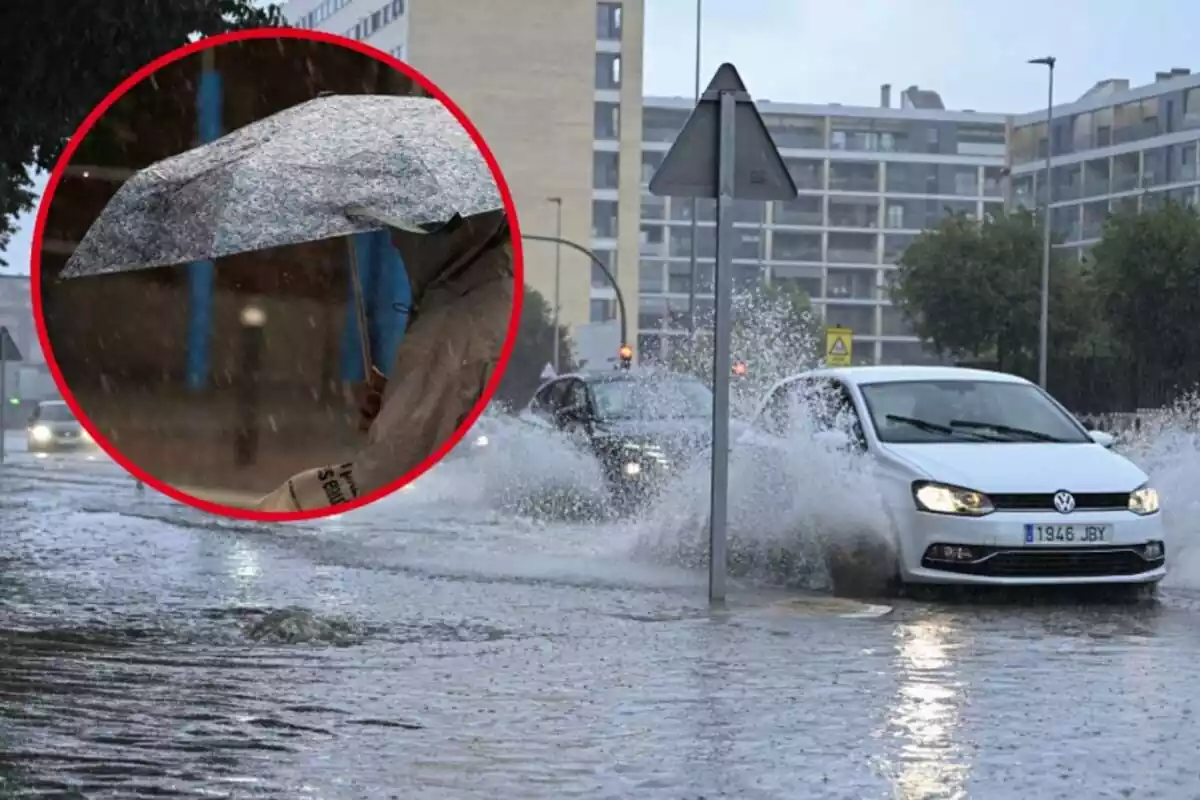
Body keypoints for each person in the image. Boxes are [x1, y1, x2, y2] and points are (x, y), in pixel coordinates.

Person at [255, 209, 513, 512]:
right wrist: (398, 401)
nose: (394, 239)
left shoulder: (450, 334)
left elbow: (381, 483)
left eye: (405, 222)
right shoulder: (479, 305)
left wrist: (280, 508)